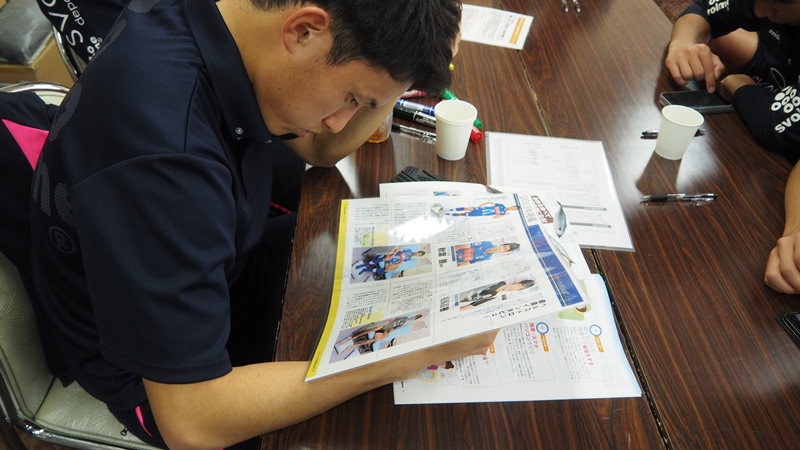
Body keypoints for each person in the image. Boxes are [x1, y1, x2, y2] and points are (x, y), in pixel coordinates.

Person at [16, 1, 498, 449]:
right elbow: (191, 420)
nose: (340, 122)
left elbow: (320, 150)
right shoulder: (164, 158)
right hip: (163, 382)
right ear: (304, 30)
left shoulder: (229, 23)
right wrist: (402, 349)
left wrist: (396, 74)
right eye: (351, 97)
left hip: (225, 266)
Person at [664, 0, 800, 161]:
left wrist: (737, 83)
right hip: (780, 69)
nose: (761, 12)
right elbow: (703, 9)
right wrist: (681, 45)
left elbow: (773, 127)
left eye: (778, 4)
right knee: (716, 42)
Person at [355, 248, 426, 275]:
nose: (417, 255)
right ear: (417, 251)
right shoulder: (408, 250)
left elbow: (400, 262)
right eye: (418, 253)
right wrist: (393, 255)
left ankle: (365, 270)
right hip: (391, 255)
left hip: (392, 261)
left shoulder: (408, 258)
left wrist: (396, 265)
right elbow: (397, 249)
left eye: (418, 255)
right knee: (385, 259)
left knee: (387, 270)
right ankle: (363, 265)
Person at [454, 241, 521, 265]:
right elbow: (467, 245)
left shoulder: (487, 258)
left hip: (456, 261)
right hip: (455, 250)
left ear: (503, 252)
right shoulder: (487, 243)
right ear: (502, 245)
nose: (501, 248)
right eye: (504, 246)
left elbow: (468, 263)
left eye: (504, 249)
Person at [445, 201, 520, 218]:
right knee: (466, 208)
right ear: (512, 206)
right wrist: (482, 204)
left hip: (481, 214)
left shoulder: (503, 213)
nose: (512, 208)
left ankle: (448, 214)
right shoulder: (501, 205)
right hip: (481, 209)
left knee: (464, 214)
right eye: (513, 207)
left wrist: (504, 215)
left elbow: (494, 217)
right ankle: (449, 210)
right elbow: (490, 202)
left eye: (514, 209)